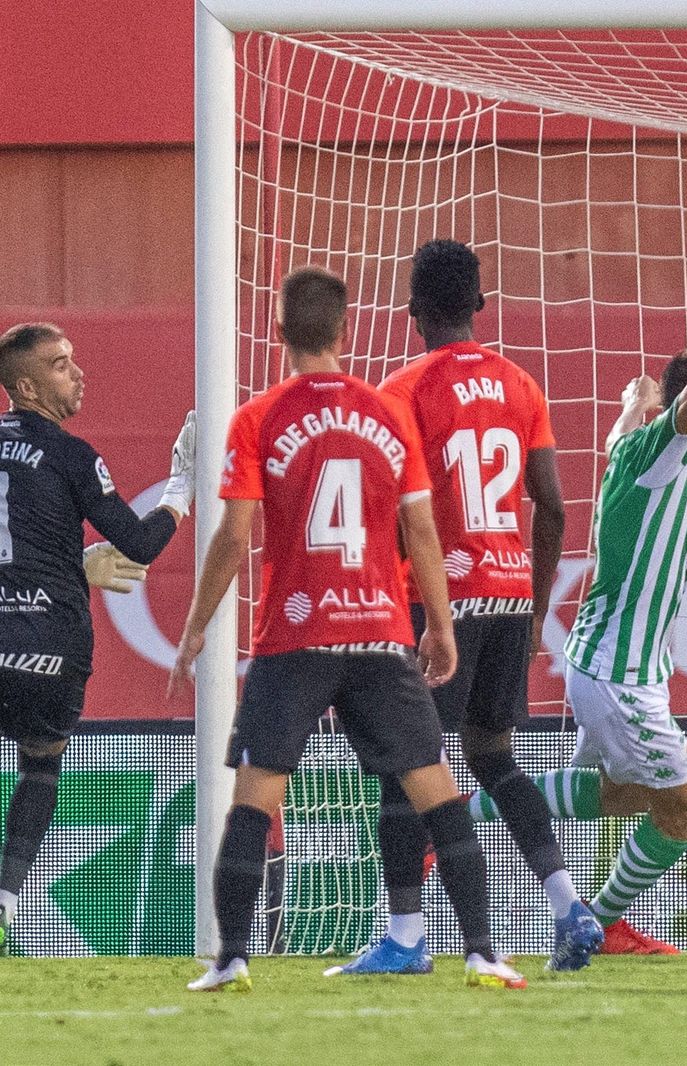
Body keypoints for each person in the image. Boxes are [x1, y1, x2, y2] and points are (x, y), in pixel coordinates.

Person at [171, 266, 524, 991]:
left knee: (255, 798)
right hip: (379, 633)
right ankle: (484, 953)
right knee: (436, 790)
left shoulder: (258, 417)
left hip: (294, 637)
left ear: (278, 331)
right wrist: (441, 627)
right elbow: (421, 531)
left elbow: (234, 536)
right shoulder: (388, 413)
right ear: (345, 329)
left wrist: (197, 626)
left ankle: (231, 959)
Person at [323, 239, 599, 976]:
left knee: (406, 765)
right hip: (508, 593)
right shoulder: (521, 384)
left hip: (437, 601)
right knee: (493, 757)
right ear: (480, 303)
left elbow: (389, 513)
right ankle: (569, 905)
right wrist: (535, 609)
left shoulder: (401, 390)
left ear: (412, 311)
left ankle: (406, 936)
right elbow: (553, 507)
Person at [516, 230, 687, 955]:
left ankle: (464, 812)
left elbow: (619, 436)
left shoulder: (639, 448)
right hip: (620, 676)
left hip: (607, 665)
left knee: (625, 796)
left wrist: (633, 402)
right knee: (685, 809)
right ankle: (605, 919)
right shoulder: (665, 451)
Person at [0, 322, 193, 953]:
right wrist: (180, 489)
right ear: (27, 387)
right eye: (61, 365)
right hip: (50, 647)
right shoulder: (72, 456)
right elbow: (137, 543)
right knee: (40, 763)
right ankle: (4, 900)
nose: (78, 373)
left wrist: (70, 562)